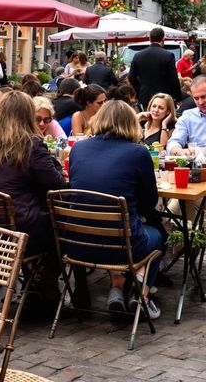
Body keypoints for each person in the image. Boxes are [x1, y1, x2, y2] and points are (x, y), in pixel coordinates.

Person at [0, 91, 66, 303]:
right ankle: (45, 286)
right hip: (15, 231)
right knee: (61, 226)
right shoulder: (30, 144)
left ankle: (35, 284)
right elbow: (57, 186)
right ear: (27, 115)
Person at [68, 101, 164, 318]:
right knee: (156, 235)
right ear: (131, 123)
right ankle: (142, 295)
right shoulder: (138, 152)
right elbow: (149, 202)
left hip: (76, 244)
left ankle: (119, 288)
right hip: (122, 246)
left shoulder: (79, 148)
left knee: (120, 226)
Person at [130, 27, 182, 108]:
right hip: (163, 96)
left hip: (145, 96)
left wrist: (140, 89)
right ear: (163, 38)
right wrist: (178, 97)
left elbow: (131, 77)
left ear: (150, 39)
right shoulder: (168, 55)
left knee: (147, 119)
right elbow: (173, 79)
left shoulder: (138, 55)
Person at [166, 76, 206, 155]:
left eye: (203, 97)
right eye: (196, 98)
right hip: (198, 164)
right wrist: (181, 151)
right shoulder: (188, 116)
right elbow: (173, 143)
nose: (200, 102)